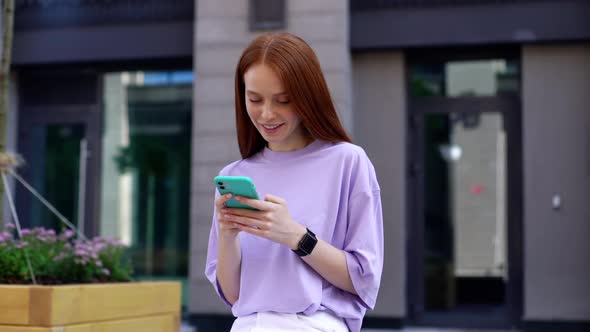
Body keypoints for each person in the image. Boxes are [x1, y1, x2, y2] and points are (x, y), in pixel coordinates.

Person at [205, 32, 384, 332]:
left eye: (283, 100)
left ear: (307, 97)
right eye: (254, 99)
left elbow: (363, 279)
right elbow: (235, 295)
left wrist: (297, 237)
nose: (267, 114)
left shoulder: (348, 162)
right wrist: (227, 235)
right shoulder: (235, 175)